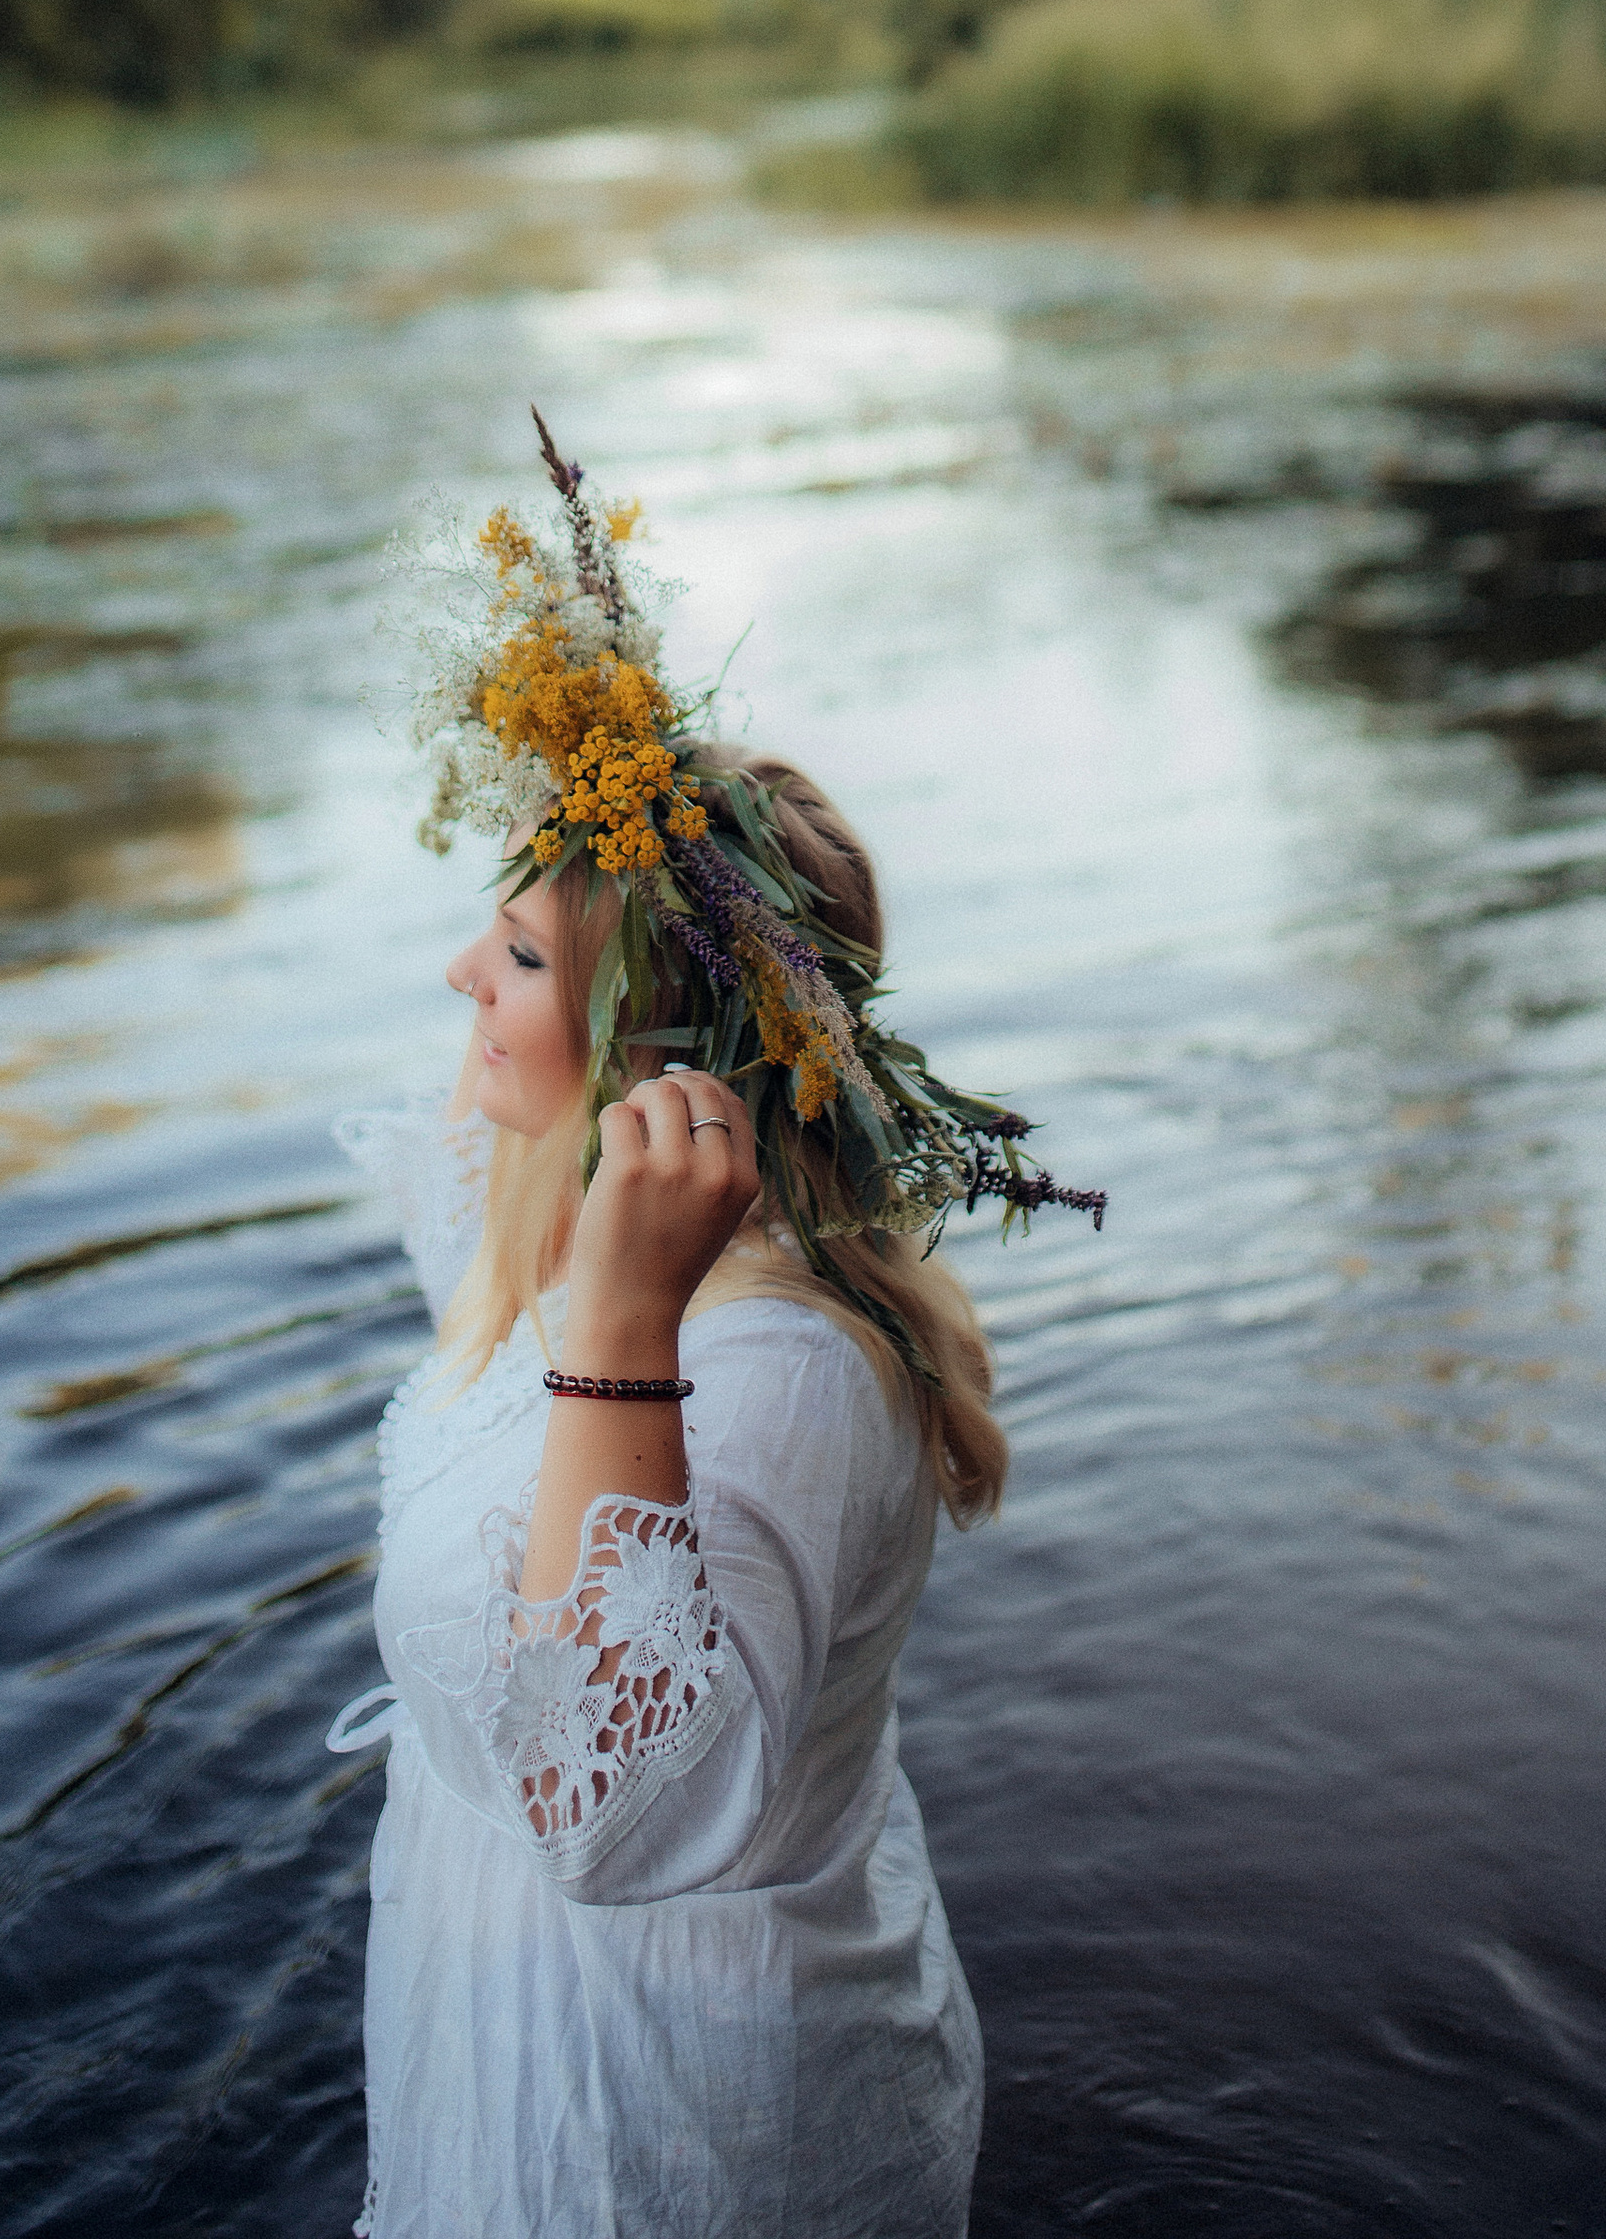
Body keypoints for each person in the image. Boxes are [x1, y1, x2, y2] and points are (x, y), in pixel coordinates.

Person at [332, 419, 1104, 2239]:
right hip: (491, 2037)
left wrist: (620, 1322)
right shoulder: (537, 1221)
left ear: (655, 1077)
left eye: (519, 956)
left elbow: (609, 1821)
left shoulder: (768, 1377)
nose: (462, 974)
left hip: (666, 2137)